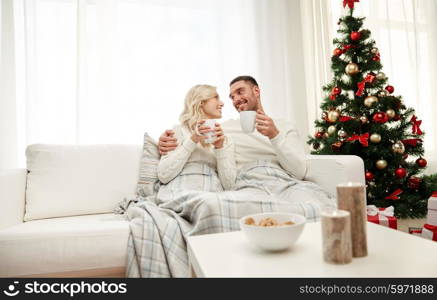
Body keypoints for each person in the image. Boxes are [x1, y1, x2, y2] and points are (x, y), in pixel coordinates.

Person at [158, 76, 336, 218]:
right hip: (248, 183)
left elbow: (299, 171)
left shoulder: (284, 126)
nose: (235, 100)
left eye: (240, 92)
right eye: (231, 97)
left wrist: (275, 135)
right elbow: (193, 128)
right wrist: (163, 141)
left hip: (284, 181)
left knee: (319, 206)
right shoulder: (223, 128)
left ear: (256, 91)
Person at [157, 84, 236, 192]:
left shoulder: (225, 140)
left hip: (212, 196)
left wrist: (220, 148)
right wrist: (192, 140)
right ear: (201, 102)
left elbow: (230, 186)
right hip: (181, 191)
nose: (222, 103)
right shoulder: (178, 131)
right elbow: (163, 175)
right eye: (216, 97)